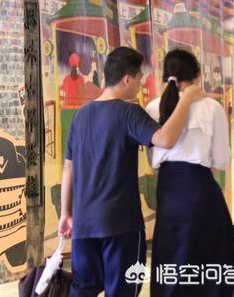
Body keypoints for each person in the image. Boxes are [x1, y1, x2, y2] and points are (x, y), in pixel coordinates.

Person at [58, 46, 203, 297]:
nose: (140, 83)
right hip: (121, 226)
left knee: (82, 290)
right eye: (138, 78)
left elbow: (68, 167)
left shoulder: (80, 116)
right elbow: (166, 139)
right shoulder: (129, 113)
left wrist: (65, 213)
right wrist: (187, 98)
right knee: (123, 291)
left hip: (84, 225)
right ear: (127, 79)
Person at [145, 48, 234, 296]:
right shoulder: (211, 107)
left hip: (168, 188)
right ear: (197, 75)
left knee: (171, 250)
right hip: (200, 187)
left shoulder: (153, 107)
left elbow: (152, 159)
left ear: (165, 75)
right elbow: (220, 160)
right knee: (208, 252)